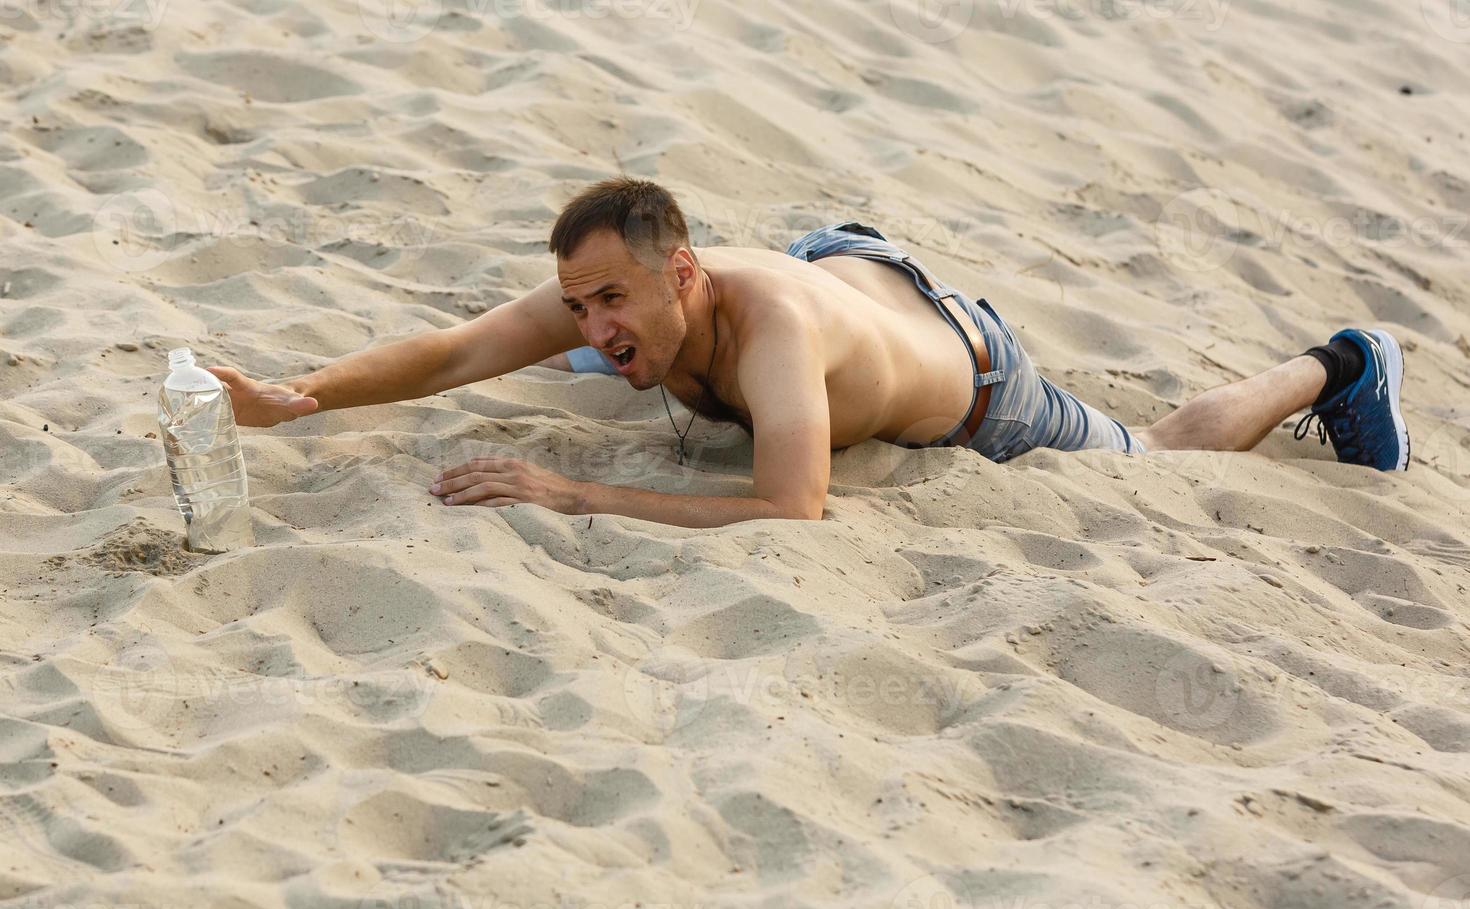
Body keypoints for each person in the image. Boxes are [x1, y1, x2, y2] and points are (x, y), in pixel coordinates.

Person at [209, 177, 1410, 528]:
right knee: (574, 354)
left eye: (611, 301)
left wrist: (569, 488)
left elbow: (793, 506)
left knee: (1152, 452)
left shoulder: (771, 336)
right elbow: (450, 353)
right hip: (837, 259)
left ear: (682, 270)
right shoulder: (624, 287)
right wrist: (296, 398)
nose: (590, 317)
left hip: (973, 376)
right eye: (578, 305)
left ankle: (1337, 365)